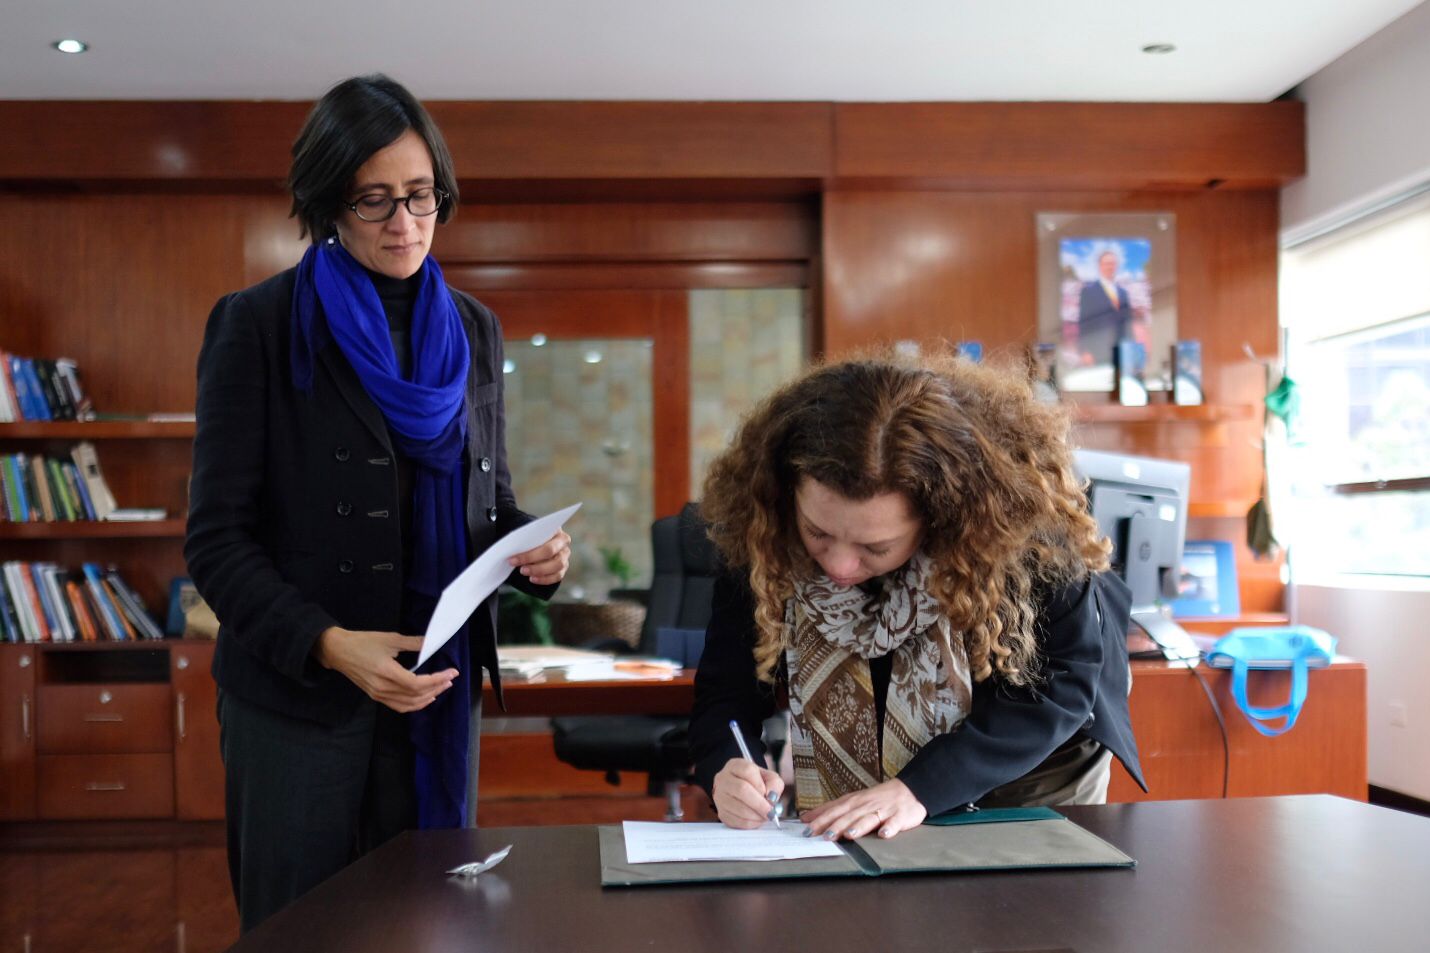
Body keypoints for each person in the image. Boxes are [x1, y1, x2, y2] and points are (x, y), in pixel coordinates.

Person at [184, 74, 570, 932]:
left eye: (421, 195)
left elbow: (488, 501)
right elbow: (214, 541)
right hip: (298, 699)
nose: (406, 223)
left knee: (428, 919)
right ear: (327, 203)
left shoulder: (472, 327)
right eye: (375, 201)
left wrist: (531, 551)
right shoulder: (257, 324)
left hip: (433, 685)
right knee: (302, 925)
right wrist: (329, 645)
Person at [688, 350, 1145, 841]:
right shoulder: (761, 531)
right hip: (872, 768)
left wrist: (918, 788)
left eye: (874, 546)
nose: (839, 565)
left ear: (939, 519)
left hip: (1030, 755)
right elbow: (726, 691)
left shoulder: (1024, 536)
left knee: (1016, 906)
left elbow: (1055, 690)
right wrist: (728, 766)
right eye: (817, 532)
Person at [1076, 249, 1134, 366]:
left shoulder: (1123, 293)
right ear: (1100, 266)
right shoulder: (1088, 291)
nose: (1110, 267)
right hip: (1097, 352)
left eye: (1112, 264)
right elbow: (1083, 323)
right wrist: (1085, 351)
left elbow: (1128, 324)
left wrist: (1130, 349)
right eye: (1107, 264)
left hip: (1121, 353)